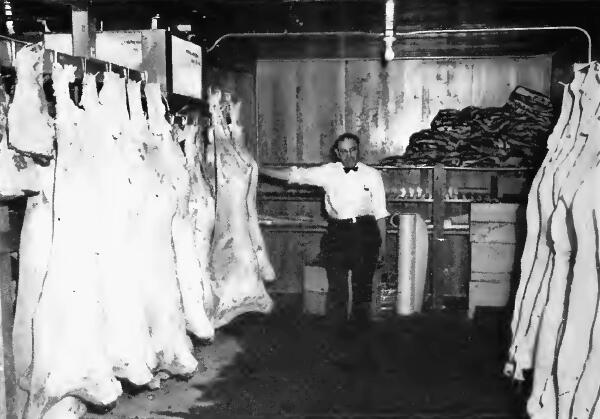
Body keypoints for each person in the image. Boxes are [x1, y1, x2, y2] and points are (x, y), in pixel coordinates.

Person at [260, 132, 389, 326]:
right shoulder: (328, 172)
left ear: (358, 150)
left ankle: (361, 334)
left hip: (365, 232)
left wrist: (382, 246)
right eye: (344, 152)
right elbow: (295, 175)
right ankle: (337, 338)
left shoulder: (372, 175)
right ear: (337, 153)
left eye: (353, 150)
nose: (349, 156)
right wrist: (259, 169)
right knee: (337, 286)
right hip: (337, 233)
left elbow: (380, 213)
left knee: (363, 286)